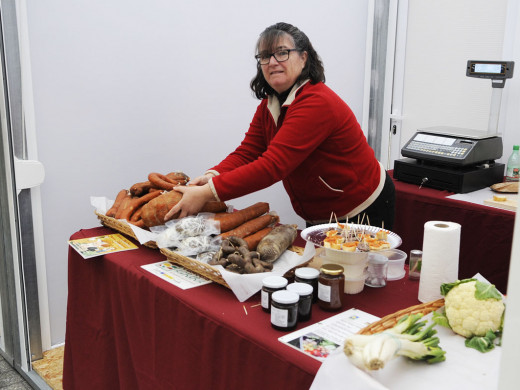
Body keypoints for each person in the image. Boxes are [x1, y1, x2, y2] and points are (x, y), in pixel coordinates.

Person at [166, 22, 395, 230]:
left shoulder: (316, 102)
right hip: (321, 212)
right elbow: (248, 152)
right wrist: (212, 176)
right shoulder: (270, 103)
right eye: (265, 56)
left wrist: (208, 193)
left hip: (361, 207)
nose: (272, 62)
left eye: (282, 53)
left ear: (304, 58)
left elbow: (273, 166)